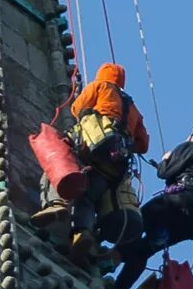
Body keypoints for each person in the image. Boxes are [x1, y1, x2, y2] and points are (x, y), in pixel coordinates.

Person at [113, 123, 193, 282]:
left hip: (179, 200)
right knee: (147, 248)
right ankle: (120, 288)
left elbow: (164, 172)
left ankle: (107, 261)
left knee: (137, 223)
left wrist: (166, 160)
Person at [61, 61, 149, 257]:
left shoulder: (99, 86)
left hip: (93, 150)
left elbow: (77, 108)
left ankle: (77, 229)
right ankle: (91, 238)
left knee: (83, 194)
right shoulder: (132, 107)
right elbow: (143, 145)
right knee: (96, 198)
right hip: (116, 164)